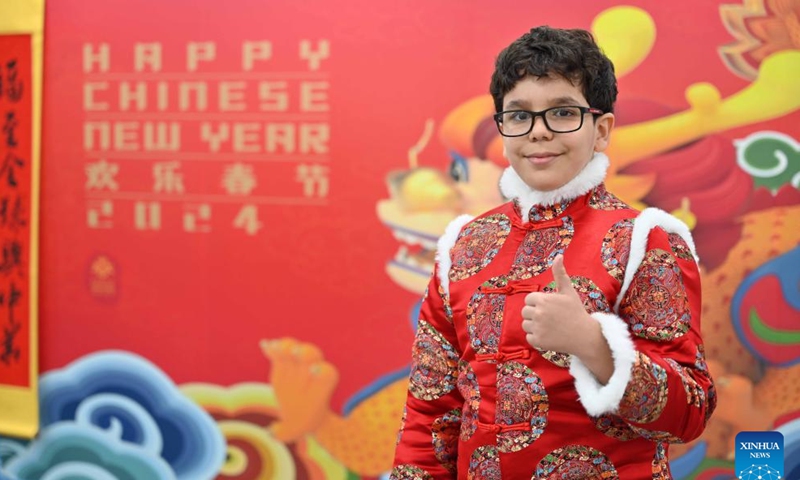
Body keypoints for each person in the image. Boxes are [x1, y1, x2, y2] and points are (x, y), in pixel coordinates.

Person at [390, 26, 716, 479]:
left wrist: (592, 344)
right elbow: (430, 414)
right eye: (519, 115)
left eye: (562, 113)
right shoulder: (464, 245)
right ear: (502, 128)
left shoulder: (645, 239)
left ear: (601, 130)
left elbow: (690, 412)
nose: (539, 133)